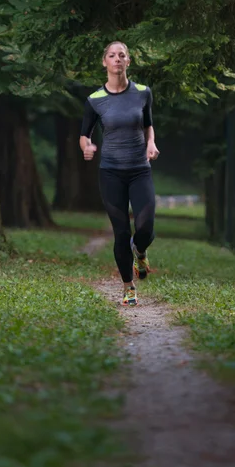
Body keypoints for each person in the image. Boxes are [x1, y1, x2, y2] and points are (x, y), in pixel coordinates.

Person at [79, 41, 160, 306]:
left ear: (128, 62)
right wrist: (87, 146)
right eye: (112, 56)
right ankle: (128, 287)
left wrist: (151, 143)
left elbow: (148, 125)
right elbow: (84, 134)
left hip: (139, 170)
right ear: (105, 62)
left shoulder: (142, 92)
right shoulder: (95, 100)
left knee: (145, 227)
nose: (117, 59)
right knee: (121, 233)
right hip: (111, 173)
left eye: (121, 55)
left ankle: (141, 250)